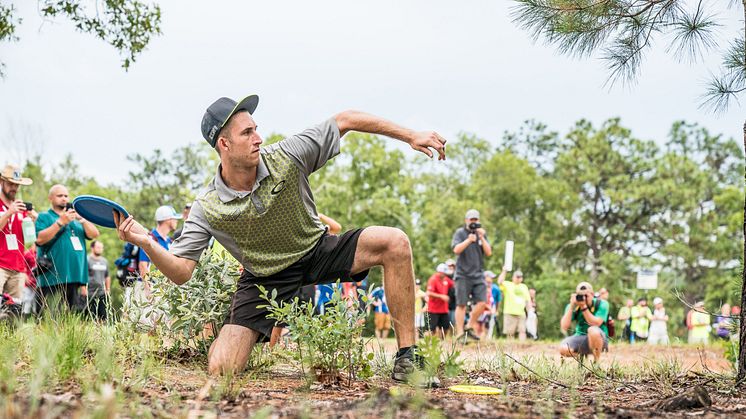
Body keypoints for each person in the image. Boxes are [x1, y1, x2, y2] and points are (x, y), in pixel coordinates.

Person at [113, 95, 447, 382]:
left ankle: (408, 358)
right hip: (265, 278)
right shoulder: (207, 206)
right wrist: (147, 242)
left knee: (395, 241)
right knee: (222, 369)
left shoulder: (286, 155)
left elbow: (345, 120)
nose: (258, 137)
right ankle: (228, 329)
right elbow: (181, 271)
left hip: (317, 249)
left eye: (256, 128)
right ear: (224, 145)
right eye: (247, 132)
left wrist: (410, 136)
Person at [35, 185, 100, 311]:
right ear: (50, 198)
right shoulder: (44, 217)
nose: (64, 199)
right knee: (49, 317)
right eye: (60, 196)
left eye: (66, 196)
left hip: (75, 276)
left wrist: (82, 218)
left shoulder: (76, 220)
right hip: (52, 277)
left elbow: (94, 234)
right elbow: (40, 239)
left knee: (72, 318)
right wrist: (60, 222)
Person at [451, 209, 492, 342]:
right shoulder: (460, 233)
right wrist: (469, 240)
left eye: (476, 220)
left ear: (478, 220)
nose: (473, 222)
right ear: (466, 220)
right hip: (462, 274)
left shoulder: (481, 234)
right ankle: (460, 333)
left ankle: (469, 326)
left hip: (478, 274)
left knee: (482, 302)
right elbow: (456, 250)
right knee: (461, 304)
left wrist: (481, 238)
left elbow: (489, 252)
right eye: (471, 220)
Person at [0, 165, 37, 309]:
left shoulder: (21, 209)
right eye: (10, 183)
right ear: (1, 182)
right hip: (0, 265)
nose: (14, 187)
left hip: (18, 267)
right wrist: (9, 212)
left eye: (17, 184)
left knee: (13, 311)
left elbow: (31, 241)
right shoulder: (9, 207)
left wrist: (34, 220)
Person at [559, 282, 610, 362]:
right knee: (563, 349)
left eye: (586, 295)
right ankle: (581, 357)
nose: (583, 298)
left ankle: (596, 362)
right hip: (580, 337)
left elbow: (596, 323)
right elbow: (564, 327)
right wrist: (572, 306)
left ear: (592, 294)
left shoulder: (602, 304)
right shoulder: (574, 306)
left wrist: (584, 307)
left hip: (600, 339)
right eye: (581, 296)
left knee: (592, 330)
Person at [497, 268, 530, 340]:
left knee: (522, 331)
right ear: (513, 277)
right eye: (517, 277)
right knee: (510, 332)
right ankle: (510, 348)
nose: (518, 279)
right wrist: (504, 271)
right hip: (509, 312)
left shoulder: (524, 287)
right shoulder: (508, 284)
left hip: (521, 313)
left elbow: (528, 300)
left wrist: (530, 311)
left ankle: (523, 347)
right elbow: (499, 281)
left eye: (520, 277)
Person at [426, 263, 454, 339]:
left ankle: (441, 341)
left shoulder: (446, 279)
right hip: (433, 309)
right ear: (440, 272)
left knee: (446, 327)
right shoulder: (433, 279)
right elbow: (429, 293)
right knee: (432, 329)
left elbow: (454, 285)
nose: (446, 275)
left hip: (444, 309)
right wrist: (441, 296)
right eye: (444, 273)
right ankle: (429, 342)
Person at [85, 240, 111, 321]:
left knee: (103, 318)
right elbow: (83, 275)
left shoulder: (104, 261)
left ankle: (100, 333)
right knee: (90, 318)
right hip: (89, 293)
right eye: (98, 247)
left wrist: (107, 290)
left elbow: (107, 276)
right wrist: (84, 290)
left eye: (101, 248)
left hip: (102, 293)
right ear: (92, 248)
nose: (100, 249)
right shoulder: (87, 260)